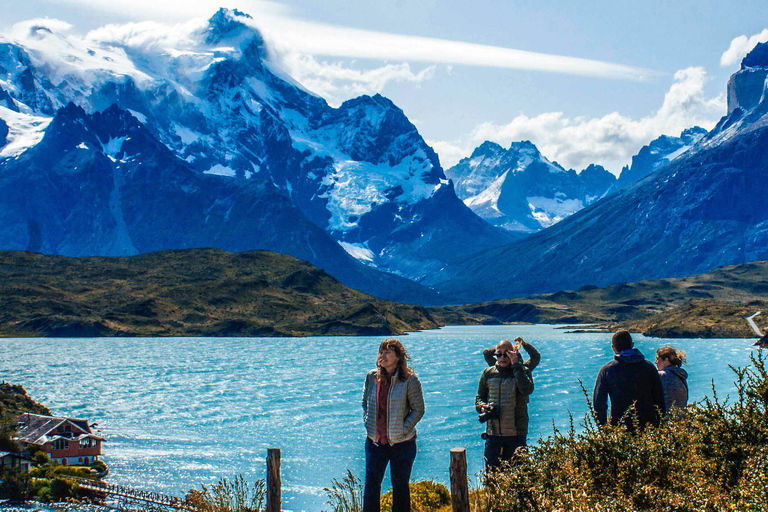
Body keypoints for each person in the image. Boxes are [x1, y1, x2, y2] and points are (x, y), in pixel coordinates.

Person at [362, 339, 425, 512]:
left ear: (398, 356)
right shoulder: (371, 377)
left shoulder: (410, 381)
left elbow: (418, 409)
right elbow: (365, 403)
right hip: (375, 443)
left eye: (387, 352)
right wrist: (368, 423)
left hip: (403, 444)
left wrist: (403, 430)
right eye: (381, 352)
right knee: (371, 486)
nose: (383, 356)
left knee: (400, 488)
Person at [476, 339, 534, 468]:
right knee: (491, 475)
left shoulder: (523, 371)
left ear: (513, 353)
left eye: (506, 353)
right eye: (499, 354)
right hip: (493, 434)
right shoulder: (488, 373)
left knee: (518, 475)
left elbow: (527, 389)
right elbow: (479, 397)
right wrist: (482, 407)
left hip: (516, 434)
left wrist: (516, 366)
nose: (502, 357)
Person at [593, 330, 666, 431]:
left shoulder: (607, 370)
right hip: (648, 426)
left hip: (620, 427)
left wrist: (603, 428)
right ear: (632, 345)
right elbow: (659, 397)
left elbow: (599, 403)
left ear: (613, 348)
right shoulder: (649, 367)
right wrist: (659, 423)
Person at [482, 337, 540, 446]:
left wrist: (524, 344)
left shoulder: (524, 369)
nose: (504, 357)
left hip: (516, 428)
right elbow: (486, 353)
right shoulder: (496, 369)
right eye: (500, 354)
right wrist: (503, 348)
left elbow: (535, 356)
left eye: (508, 354)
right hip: (496, 430)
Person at [656, 346, 689, 414]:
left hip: (667, 419)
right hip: (682, 419)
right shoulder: (680, 375)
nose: (656, 362)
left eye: (657, 359)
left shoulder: (662, 375)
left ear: (666, 360)